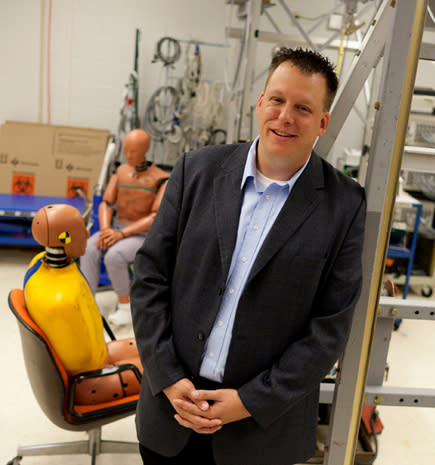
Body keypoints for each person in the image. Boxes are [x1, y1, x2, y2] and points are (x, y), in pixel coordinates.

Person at [130, 47, 366, 465]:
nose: (285, 116)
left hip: (260, 431)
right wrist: (167, 377)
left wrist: (249, 401)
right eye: (277, 99)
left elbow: (330, 328)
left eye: (303, 108)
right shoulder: (195, 171)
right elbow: (150, 276)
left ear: (323, 123)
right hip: (172, 413)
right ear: (260, 102)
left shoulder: (343, 205)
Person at [24, 204, 141, 403]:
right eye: (81, 229)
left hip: (94, 356)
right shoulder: (63, 299)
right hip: (88, 381)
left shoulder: (38, 264)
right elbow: (83, 363)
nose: (87, 234)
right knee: (171, 369)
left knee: (161, 351)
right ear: (65, 238)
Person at [80, 129, 169, 326]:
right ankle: (86, 302)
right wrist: (105, 230)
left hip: (141, 235)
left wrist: (122, 234)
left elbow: (156, 217)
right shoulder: (120, 172)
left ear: (145, 150)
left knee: (115, 256)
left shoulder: (161, 178)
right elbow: (107, 203)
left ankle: (125, 307)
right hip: (114, 229)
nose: (129, 155)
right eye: (127, 151)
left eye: (134, 152)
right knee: (87, 248)